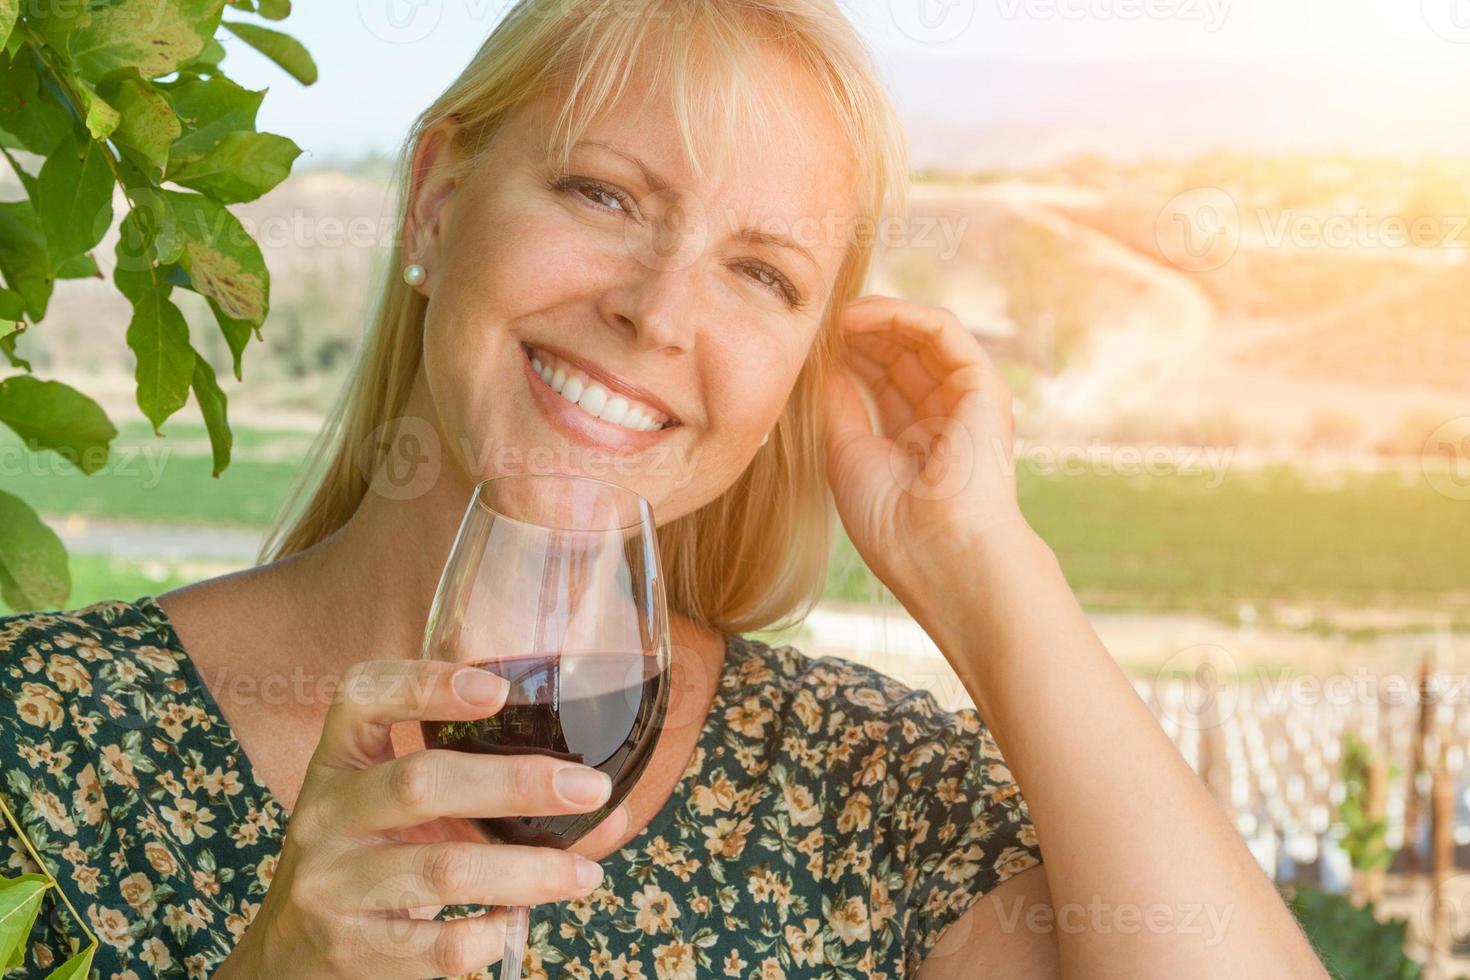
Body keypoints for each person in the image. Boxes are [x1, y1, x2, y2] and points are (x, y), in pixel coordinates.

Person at [0, 2, 1327, 978]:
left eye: (760, 274)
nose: (654, 313)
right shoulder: (33, 735)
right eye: (602, 193)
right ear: (435, 206)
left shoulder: (856, 789)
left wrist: (983, 566)